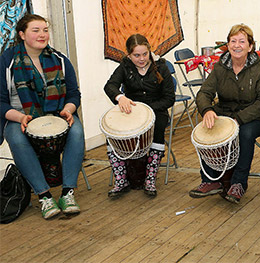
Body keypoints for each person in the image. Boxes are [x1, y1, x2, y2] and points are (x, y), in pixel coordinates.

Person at [0, 14, 85, 219]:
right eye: (35, 30)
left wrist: (68, 110)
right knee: (17, 138)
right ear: (22, 34)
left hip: (57, 113)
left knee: (76, 131)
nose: (42, 34)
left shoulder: (59, 60)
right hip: (20, 116)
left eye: (45, 30)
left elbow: (74, 93)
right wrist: (20, 118)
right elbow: (1, 101)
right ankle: (44, 195)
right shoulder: (7, 61)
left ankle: (68, 193)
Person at [189, 24, 260, 204]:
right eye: (233, 41)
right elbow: (204, 93)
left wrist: (239, 119)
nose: (237, 45)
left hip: (255, 117)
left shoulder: (259, 69)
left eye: (242, 41)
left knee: (245, 133)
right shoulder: (220, 68)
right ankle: (210, 180)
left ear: (250, 46)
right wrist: (207, 110)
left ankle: (239, 183)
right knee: (205, 127)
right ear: (227, 45)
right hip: (225, 114)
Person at [103, 34, 174, 198]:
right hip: (131, 111)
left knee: (157, 128)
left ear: (149, 52)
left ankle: (150, 179)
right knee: (112, 133)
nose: (142, 59)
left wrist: (147, 109)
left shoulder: (161, 67)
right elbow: (110, 86)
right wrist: (120, 97)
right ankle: (121, 180)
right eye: (136, 55)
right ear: (129, 55)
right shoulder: (125, 67)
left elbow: (169, 98)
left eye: (145, 54)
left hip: (156, 110)